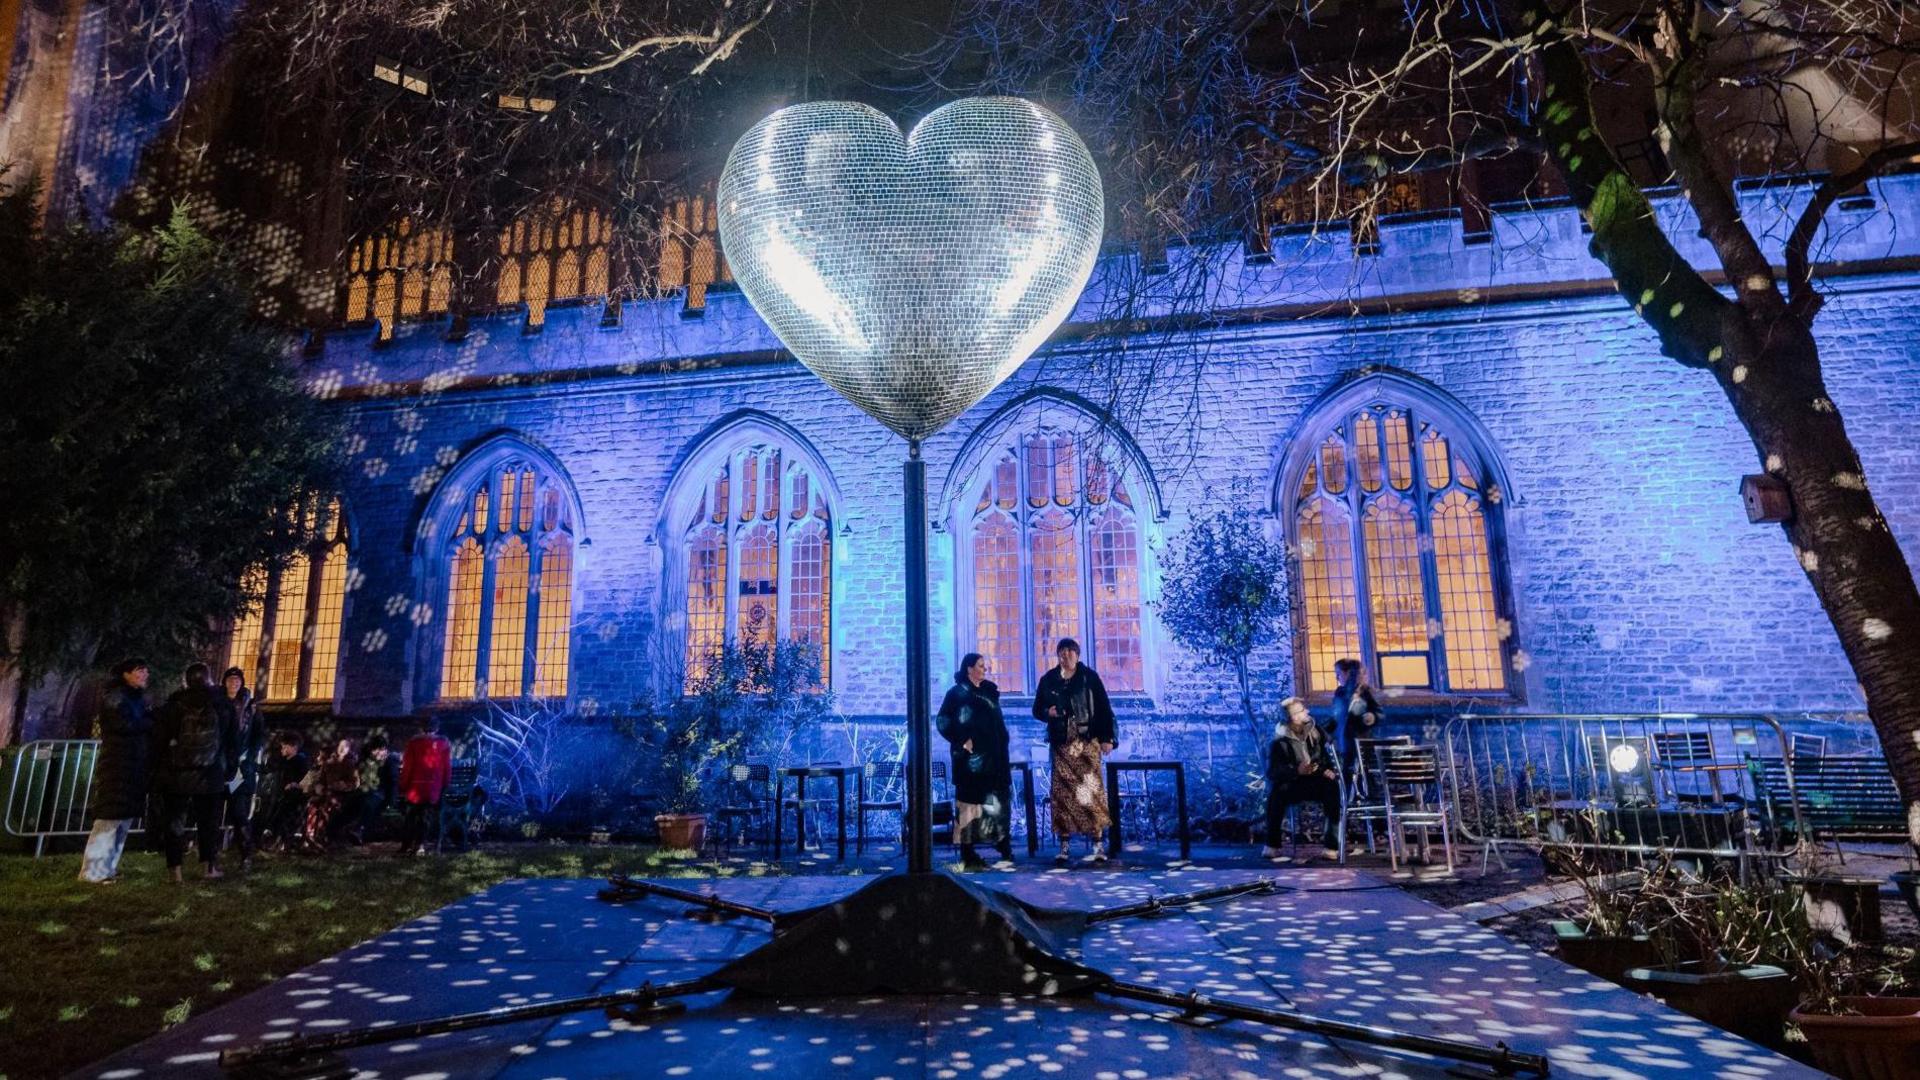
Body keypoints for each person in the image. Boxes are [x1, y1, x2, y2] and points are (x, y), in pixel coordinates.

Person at [152, 662, 240, 883]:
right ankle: (208, 868)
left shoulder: (174, 704)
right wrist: (229, 769)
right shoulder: (222, 704)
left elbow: (160, 739)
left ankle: (175, 871)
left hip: (177, 773)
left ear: (186, 680)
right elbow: (233, 741)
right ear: (210, 679)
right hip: (210, 773)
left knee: (175, 822)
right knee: (208, 823)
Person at [1033, 637, 1117, 865]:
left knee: (1091, 791)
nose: (1066, 656)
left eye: (1070, 652)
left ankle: (1098, 843)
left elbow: (1103, 708)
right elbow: (1036, 709)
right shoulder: (1049, 679)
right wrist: (1046, 712)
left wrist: (1108, 738)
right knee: (1062, 794)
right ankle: (1064, 844)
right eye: (1062, 652)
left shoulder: (1089, 678)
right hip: (1061, 743)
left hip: (1087, 741)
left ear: (1077, 655)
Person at [78, 658, 154, 884]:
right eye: (140, 671)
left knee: (122, 820)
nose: (144, 675)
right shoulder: (116, 699)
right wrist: (149, 723)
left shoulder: (133, 699)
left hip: (130, 765)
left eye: (145, 671)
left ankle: (108, 867)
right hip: (117, 765)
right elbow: (122, 725)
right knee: (109, 819)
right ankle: (93, 871)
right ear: (126, 674)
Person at [937, 653, 1014, 869]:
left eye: (985, 666)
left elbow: (996, 722)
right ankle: (968, 852)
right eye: (981, 666)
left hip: (994, 758)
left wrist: (1003, 740)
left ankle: (1002, 844)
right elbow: (943, 721)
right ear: (969, 668)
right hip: (970, 761)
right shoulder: (956, 694)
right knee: (970, 803)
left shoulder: (989, 692)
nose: (984, 669)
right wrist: (962, 741)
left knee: (998, 801)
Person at [1266, 697, 1342, 863]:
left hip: (1315, 780)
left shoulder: (1316, 733)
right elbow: (1273, 772)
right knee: (1277, 793)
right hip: (1293, 783)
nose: (1307, 711)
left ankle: (1331, 846)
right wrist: (1295, 770)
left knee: (1332, 788)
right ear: (1293, 717)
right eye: (1302, 710)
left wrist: (1328, 770)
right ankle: (1272, 845)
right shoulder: (1279, 742)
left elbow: (1328, 757)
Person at [222, 666, 266, 868]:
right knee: (212, 810)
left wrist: (248, 760)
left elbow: (258, 735)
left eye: (237, 680)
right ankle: (210, 854)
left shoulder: (250, 707)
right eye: (230, 680)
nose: (234, 683)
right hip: (219, 764)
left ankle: (246, 854)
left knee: (239, 812)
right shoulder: (219, 704)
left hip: (239, 766)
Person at [397, 718, 453, 855]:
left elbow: (408, 766)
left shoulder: (414, 743)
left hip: (416, 788)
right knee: (427, 815)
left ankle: (406, 845)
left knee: (412, 816)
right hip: (434, 788)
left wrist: (403, 785)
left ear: (421, 728)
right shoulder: (443, 743)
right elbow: (447, 766)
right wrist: (445, 784)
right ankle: (421, 844)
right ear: (437, 728)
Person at [1328, 658, 1384, 781]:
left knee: (1362, 773)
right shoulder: (1339, 693)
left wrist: (1372, 717)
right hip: (1344, 740)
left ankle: (1364, 796)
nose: (1337, 677)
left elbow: (1379, 713)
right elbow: (1335, 717)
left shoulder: (1365, 691)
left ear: (1348, 673)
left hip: (1361, 740)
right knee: (1347, 773)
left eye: (1339, 674)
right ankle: (1349, 798)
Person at [300, 736, 359, 850]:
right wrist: (319, 786)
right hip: (326, 792)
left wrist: (342, 786)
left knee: (329, 806)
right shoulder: (328, 764)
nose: (342, 749)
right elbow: (321, 780)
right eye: (341, 746)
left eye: (346, 747)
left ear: (349, 749)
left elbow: (355, 783)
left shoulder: (351, 765)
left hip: (342, 795)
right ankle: (311, 836)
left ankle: (324, 836)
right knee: (313, 805)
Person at [261, 732, 311, 848]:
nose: (282, 749)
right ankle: (270, 833)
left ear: (294, 747)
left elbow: (307, 782)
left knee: (283, 809)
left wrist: (295, 785)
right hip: (280, 795)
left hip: (294, 796)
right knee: (274, 806)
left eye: (285, 747)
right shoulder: (283, 761)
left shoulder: (301, 762)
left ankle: (274, 834)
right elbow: (269, 768)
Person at [349, 734, 398, 843]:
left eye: (379, 750)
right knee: (354, 800)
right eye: (374, 750)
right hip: (366, 790)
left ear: (384, 749)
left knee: (370, 802)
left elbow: (392, 781)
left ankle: (359, 829)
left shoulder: (389, 760)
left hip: (381, 793)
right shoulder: (367, 760)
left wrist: (391, 800)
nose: (376, 753)